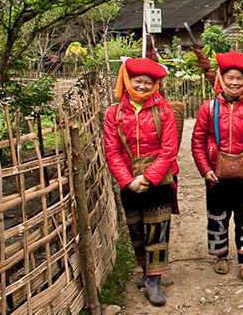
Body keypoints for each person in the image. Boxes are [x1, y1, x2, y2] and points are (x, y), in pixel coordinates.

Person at [103, 57, 179, 306]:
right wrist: (127, 181)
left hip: (160, 181)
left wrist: (149, 177)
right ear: (127, 81)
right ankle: (145, 271)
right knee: (136, 228)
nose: (143, 86)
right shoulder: (113, 114)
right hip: (129, 181)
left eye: (148, 82)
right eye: (138, 81)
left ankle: (154, 280)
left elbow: (169, 149)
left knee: (157, 229)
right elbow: (112, 152)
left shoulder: (164, 109)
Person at [191, 51, 243, 284]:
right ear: (221, 79)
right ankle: (221, 256)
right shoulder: (209, 108)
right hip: (216, 175)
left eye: (239, 78)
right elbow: (198, 141)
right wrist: (205, 169)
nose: (234, 82)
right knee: (218, 215)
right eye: (229, 77)